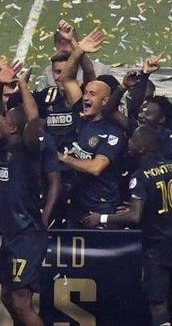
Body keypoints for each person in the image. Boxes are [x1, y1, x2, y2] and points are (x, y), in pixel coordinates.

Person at [96, 126, 172, 326]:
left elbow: (134, 217)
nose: (129, 144)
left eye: (132, 140)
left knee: (158, 304)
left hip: (157, 248)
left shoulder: (140, 176)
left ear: (142, 148)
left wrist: (102, 218)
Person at [0, 55, 46, 326]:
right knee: (8, 296)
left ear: (12, 127)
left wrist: (22, 85)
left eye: (5, 119)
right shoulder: (1, 144)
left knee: (20, 298)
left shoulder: (27, 148)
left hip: (26, 233)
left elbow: (33, 120)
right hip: (9, 232)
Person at [55, 30, 128, 227]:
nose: (85, 97)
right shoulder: (82, 115)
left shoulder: (113, 132)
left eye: (92, 94)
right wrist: (77, 51)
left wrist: (64, 159)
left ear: (105, 102)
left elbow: (96, 168)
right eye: (85, 92)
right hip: (77, 204)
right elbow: (67, 79)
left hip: (101, 209)